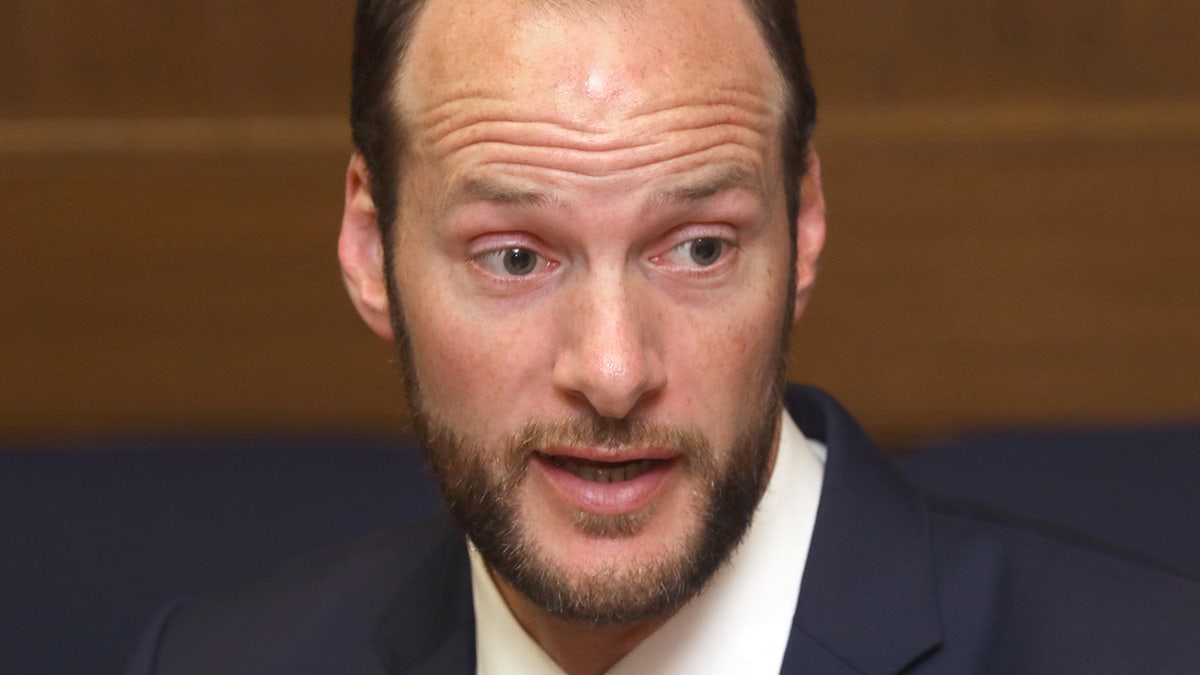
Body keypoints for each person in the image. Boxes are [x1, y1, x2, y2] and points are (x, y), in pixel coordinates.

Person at [127, 0, 1200, 672]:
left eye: (697, 248)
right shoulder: (215, 661)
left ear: (803, 227)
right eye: (515, 258)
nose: (612, 370)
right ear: (371, 250)